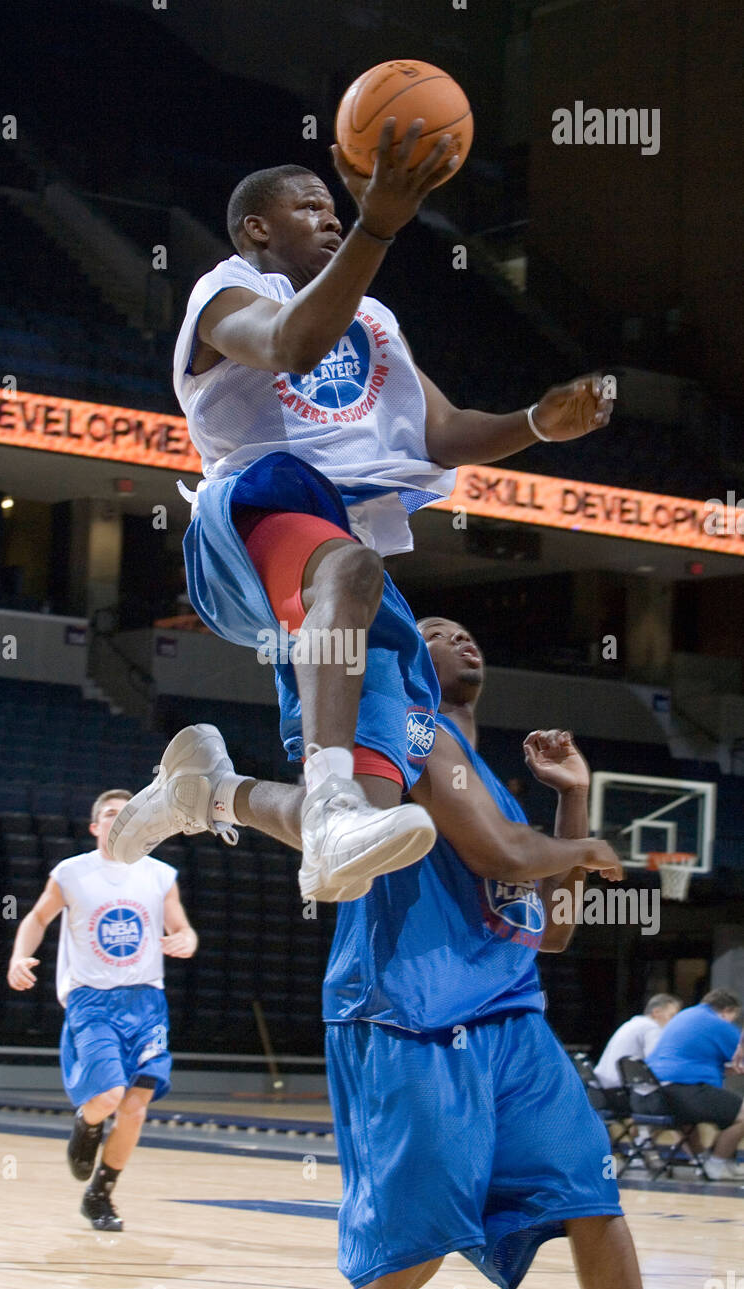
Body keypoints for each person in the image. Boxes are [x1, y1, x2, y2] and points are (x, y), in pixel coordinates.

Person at [109, 124, 614, 902]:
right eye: (311, 208)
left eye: (335, 209)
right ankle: (333, 788)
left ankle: (210, 795)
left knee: (376, 814)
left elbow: (441, 432)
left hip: (332, 562)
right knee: (348, 559)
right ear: (257, 229)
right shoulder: (229, 291)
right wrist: (379, 224)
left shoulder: (374, 320)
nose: (332, 217)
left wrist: (540, 423)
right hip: (249, 518)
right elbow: (291, 345)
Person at [115, 619, 638, 1289]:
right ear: (412, 656)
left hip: (513, 1024)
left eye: (466, 631)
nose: (462, 638)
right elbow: (501, 855)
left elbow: (556, 931)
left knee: (590, 1196)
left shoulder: (498, 796)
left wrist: (573, 797)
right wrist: (586, 850)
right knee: (417, 1243)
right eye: (440, 633)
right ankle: (217, 791)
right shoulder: (408, 737)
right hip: (410, 1013)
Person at [6, 789, 197, 1230]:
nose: (120, 819)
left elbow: (181, 926)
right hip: (92, 998)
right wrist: (19, 957)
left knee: (135, 1106)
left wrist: (185, 939)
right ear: (96, 826)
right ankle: (86, 1125)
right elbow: (36, 919)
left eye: (128, 813)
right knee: (108, 1098)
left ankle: (100, 1194)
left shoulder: (160, 874)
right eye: (111, 814)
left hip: (146, 1000)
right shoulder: (72, 873)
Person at [645, 989, 744, 1180]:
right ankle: (717, 1164)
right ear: (727, 1011)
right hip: (684, 1090)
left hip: (655, 1094)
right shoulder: (717, 1023)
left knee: (687, 1120)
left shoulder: (685, 1016)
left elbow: (690, 1059)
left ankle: (703, 1162)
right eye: (733, 1017)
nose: (732, 1022)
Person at [594, 994, 681, 1094]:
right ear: (656, 1012)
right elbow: (658, 1062)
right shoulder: (651, 1028)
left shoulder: (632, 1024)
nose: (675, 1021)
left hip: (603, 1086)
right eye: (672, 1015)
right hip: (622, 1090)